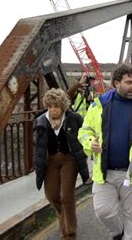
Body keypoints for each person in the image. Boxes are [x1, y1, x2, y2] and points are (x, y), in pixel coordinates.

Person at [78, 64, 132, 239]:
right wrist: (90, 143)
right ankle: (118, 233)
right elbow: (84, 131)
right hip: (104, 172)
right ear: (116, 83)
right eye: (129, 82)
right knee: (103, 211)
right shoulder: (98, 105)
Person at [34, 88, 90, 240]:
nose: (52, 110)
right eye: (50, 106)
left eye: (56, 106)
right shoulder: (41, 121)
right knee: (51, 195)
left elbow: (86, 135)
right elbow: (39, 147)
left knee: (66, 196)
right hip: (50, 161)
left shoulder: (74, 118)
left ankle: (69, 233)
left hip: (69, 159)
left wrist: (86, 152)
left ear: (63, 107)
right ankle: (66, 216)